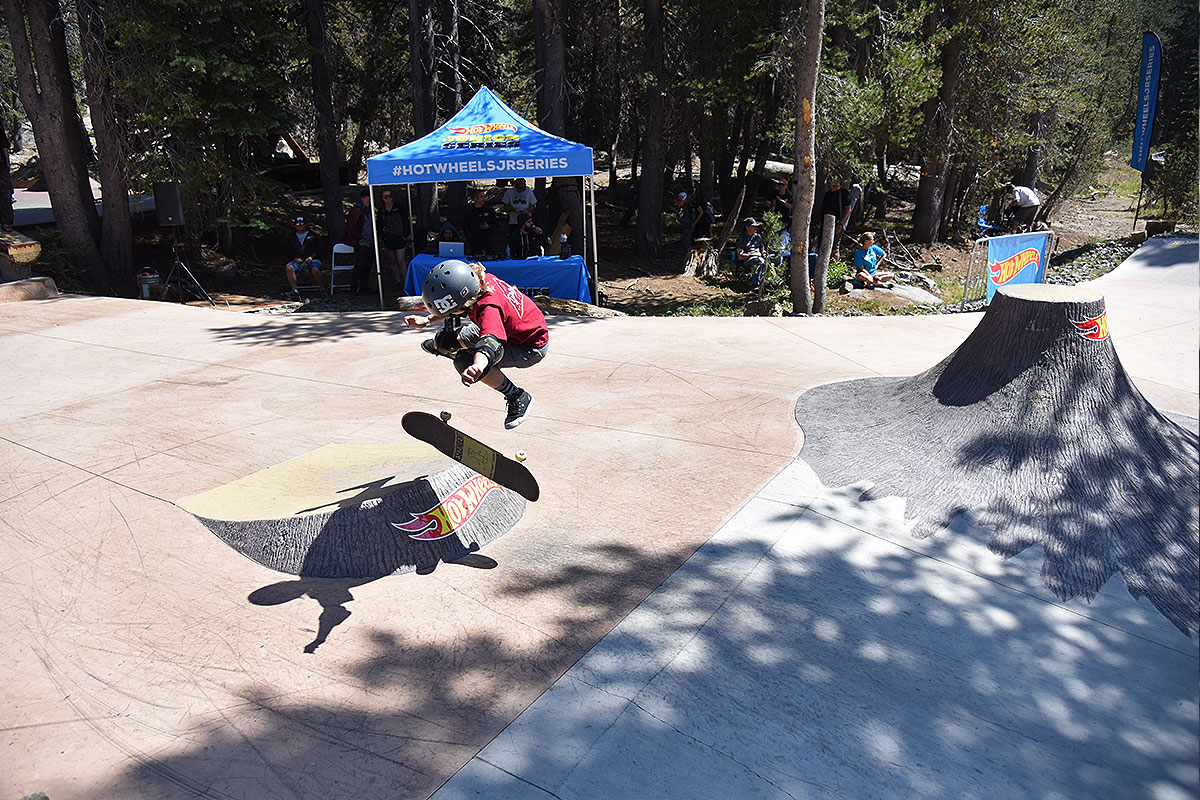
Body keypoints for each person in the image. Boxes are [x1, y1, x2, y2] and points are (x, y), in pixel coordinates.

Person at [405, 259, 548, 429]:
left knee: (464, 362)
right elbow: (456, 303)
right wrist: (427, 320)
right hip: (514, 327)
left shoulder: (488, 308)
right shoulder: (480, 281)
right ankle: (450, 350)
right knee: (445, 341)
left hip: (529, 347)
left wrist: (478, 365)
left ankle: (516, 396)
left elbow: (490, 342)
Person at [342, 188, 373, 292]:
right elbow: (352, 226)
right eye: (367, 197)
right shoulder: (357, 209)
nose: (369, 199)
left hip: (369, 241)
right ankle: (354, 287)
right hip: (361, 242)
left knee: (367, 265)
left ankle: (364, 286)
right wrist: (359, 239)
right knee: (359, 265)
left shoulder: (369, 210)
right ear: (363, 198)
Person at [285, 217, 323, 299]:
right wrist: (295, 258)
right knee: (289, 267)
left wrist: (312, 257)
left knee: (315, 269)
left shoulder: (312, 235)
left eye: (302, 224)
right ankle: (294, 290)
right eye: (298, 224)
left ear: (305, 225)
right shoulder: (292, 237)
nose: (300, 226)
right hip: (298, 261)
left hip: (312, 260)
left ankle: (322, 288)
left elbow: (319, 249)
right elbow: (287, 251)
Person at [378, 189, 409, 286]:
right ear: (382, 198)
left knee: (400, 260)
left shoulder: (399, 207)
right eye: (385, 197)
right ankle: (398, 281)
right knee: (393, 260)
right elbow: (379, 225)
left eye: (389, 196)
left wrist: (405, 235)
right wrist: (382, 237)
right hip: (389, 237)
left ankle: (406, 282)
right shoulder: (381, 211)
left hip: (400, 237)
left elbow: (406, 221)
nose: (388, 198)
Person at [819, 176, 851, 256]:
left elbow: (848, 209)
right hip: (825, 223)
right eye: (829, 180)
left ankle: (834, 266)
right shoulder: (828, 194)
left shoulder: (843, 193)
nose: (829, 182)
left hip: (837, 224)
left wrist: (840, 224)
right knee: (824, 246)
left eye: (831, 180)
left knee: (834, 248)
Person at [465, 187, 497, 257]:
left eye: (484, 196)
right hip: (474, 243)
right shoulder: (469, 211)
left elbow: (496, 225)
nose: (484, 199)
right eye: (481, 197)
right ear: (475, 199)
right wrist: (471, 238)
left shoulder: (489, 210)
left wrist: (489, 227)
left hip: (488, 242)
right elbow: (466, 227)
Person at [735, 217, 766, 288]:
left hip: (760, 256)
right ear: (747, 227)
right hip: (749, 259)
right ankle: (756, 285)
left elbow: (762, 248)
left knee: (777, 258)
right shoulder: (741, 239)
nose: (756, 229)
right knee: (758, 261)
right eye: (753, 227)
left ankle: (773, 282)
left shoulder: (758, 237)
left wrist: (763, 253)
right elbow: (740, 256)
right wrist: (753, 254)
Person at [1, 129, 13, 232]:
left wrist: (7, 162)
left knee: (5, 195)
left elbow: (5, 147)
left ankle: (6, 222)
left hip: (1, 167)